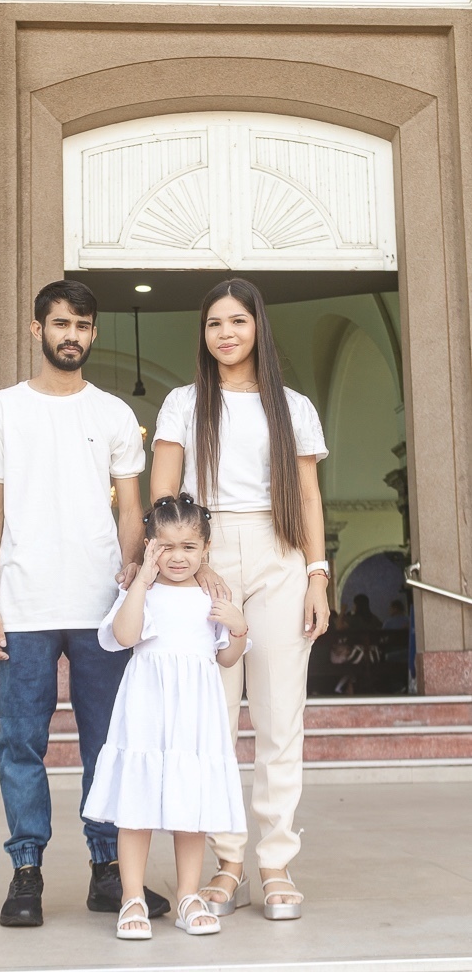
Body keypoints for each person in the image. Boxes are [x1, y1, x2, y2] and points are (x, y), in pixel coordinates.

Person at [0, 279, 169, 928]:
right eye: (60, 324)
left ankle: (106, 870)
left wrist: (132, 581)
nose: (72, 336)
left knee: (107, 743)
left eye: (82, 326)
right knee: (22, 744)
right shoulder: (3, 408)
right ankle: (25, 871)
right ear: (38, 330)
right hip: (24, 604)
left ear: (92, 332)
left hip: (99, 605)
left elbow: (131, 506)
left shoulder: (112, 413)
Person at [151, 277, 329, 921]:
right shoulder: (181, 403)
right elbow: (164, 497)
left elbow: (308, 498)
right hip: (206, 552)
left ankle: (275, 861)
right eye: (214, 324)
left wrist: (316, 575)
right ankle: (228, 864)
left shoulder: (293, 406)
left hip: (279, 550)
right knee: (212, 722)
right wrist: (184, 570)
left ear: (258, 327)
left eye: (237, 321)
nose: (226, 333)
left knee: (282, 715)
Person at [83, 494, 250, 940]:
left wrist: (239, 625)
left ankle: (188, 895)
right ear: (151, 545)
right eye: (166, 546)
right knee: (136, 804)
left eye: (189, 547)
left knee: (189, 804)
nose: (178, 557)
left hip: (194, 711)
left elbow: (229, 658)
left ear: (206, 550)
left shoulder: (211, 595)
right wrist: (140, 580)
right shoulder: (142, 589)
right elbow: (124, 634)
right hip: (147, 705)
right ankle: (132, 896)